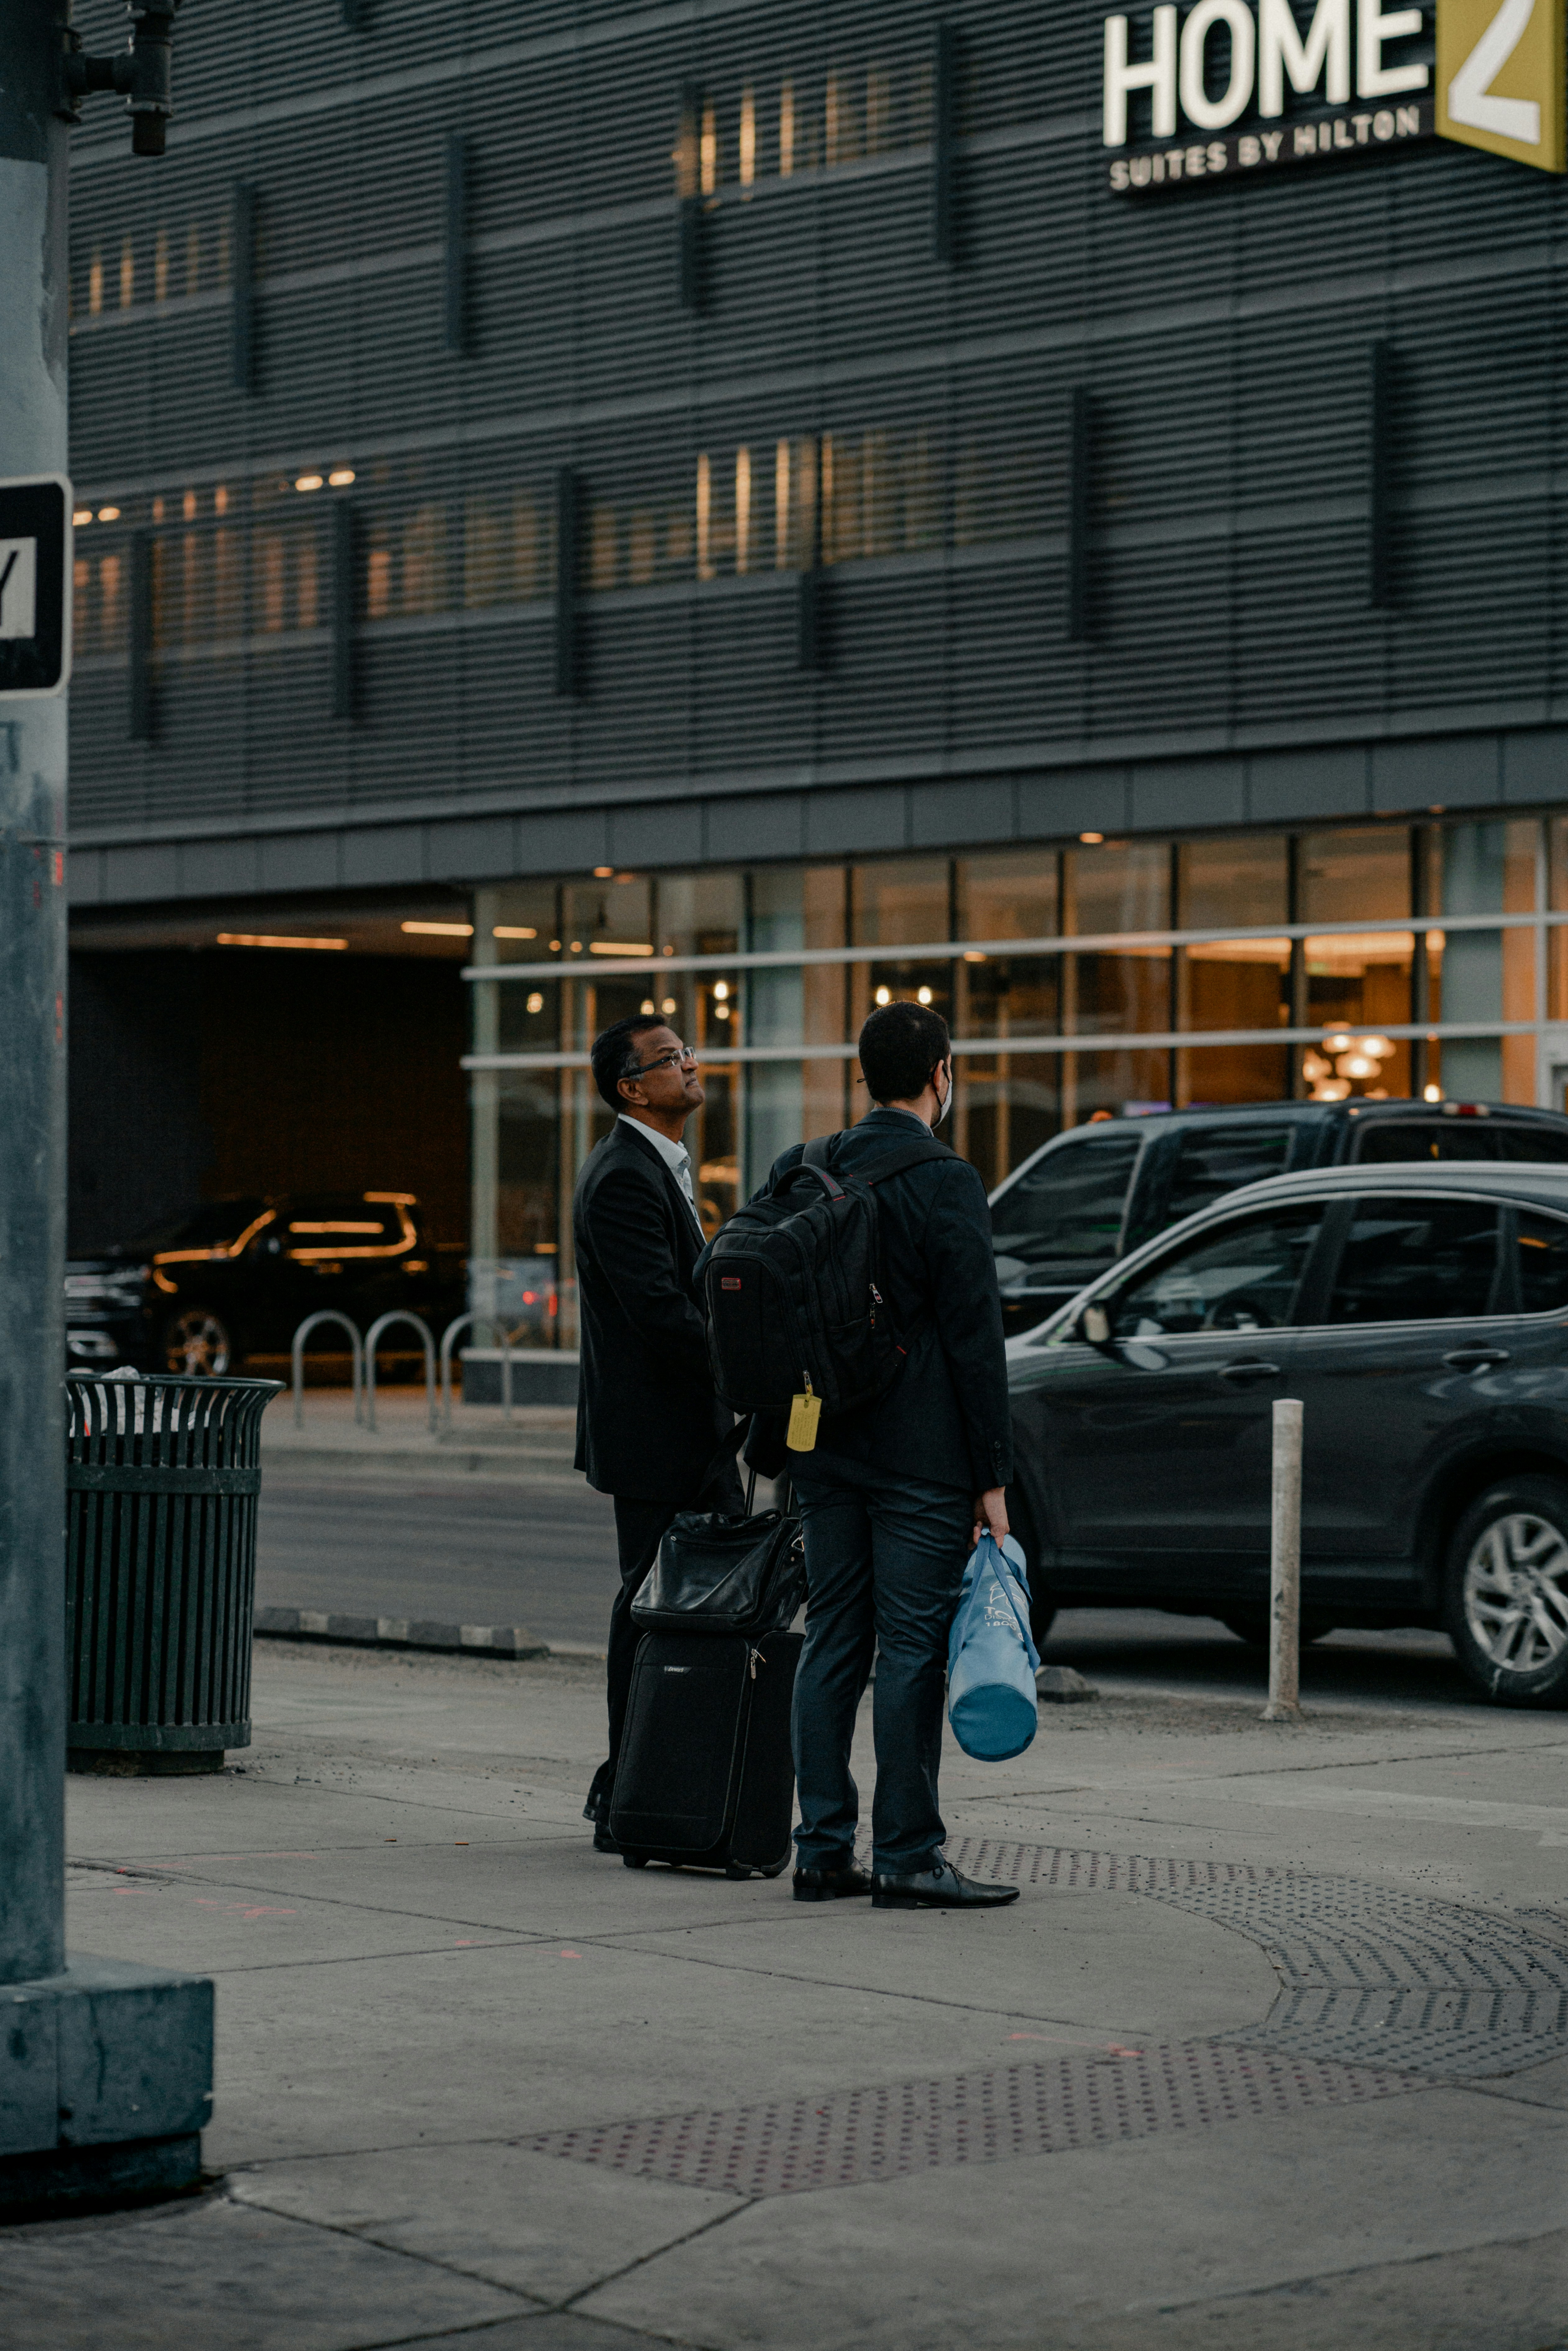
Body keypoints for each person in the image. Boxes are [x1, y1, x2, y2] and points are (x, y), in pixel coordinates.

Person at [752, 1000, 1020, 1912]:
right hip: (921, 1458)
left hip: (820, 1444)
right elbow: (976, 1339)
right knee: (910, 1648)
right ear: (942, 1072)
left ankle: (822, 1849)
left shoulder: (805, 1165)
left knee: (832, 1639)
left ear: (865, 1074)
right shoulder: (947, 1179)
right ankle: (908, 1852)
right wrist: (993, 1477)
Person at [573, 1013, 741, 1851]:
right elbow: (663, 1316)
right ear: (632, 1087)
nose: (692, 1065)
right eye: (674, 1058)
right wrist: (745, 1370)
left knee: (673, 1608)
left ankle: (660, 1775)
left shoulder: (660, 1168)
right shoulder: (622, 1179)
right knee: (647, 1607)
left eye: (688, 1052)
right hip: (655, 1441)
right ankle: (626, 1784)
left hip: (687, 1435)